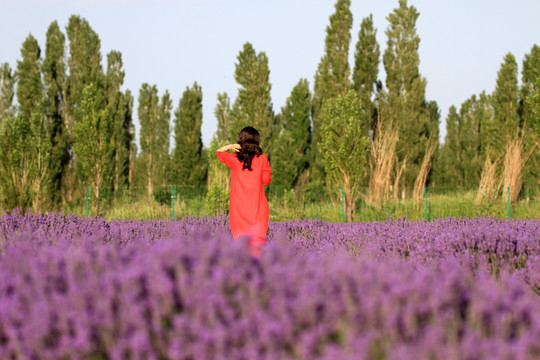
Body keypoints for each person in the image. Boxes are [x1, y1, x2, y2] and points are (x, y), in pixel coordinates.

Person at [216, 126, 271, 257]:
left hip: (238, 211)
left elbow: (219, 152)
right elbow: (266, 180)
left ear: (241, 140)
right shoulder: (262, 158)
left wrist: (230, 146)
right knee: (257, 248)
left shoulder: (234, 158)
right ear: (257, 141)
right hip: (258, 210)